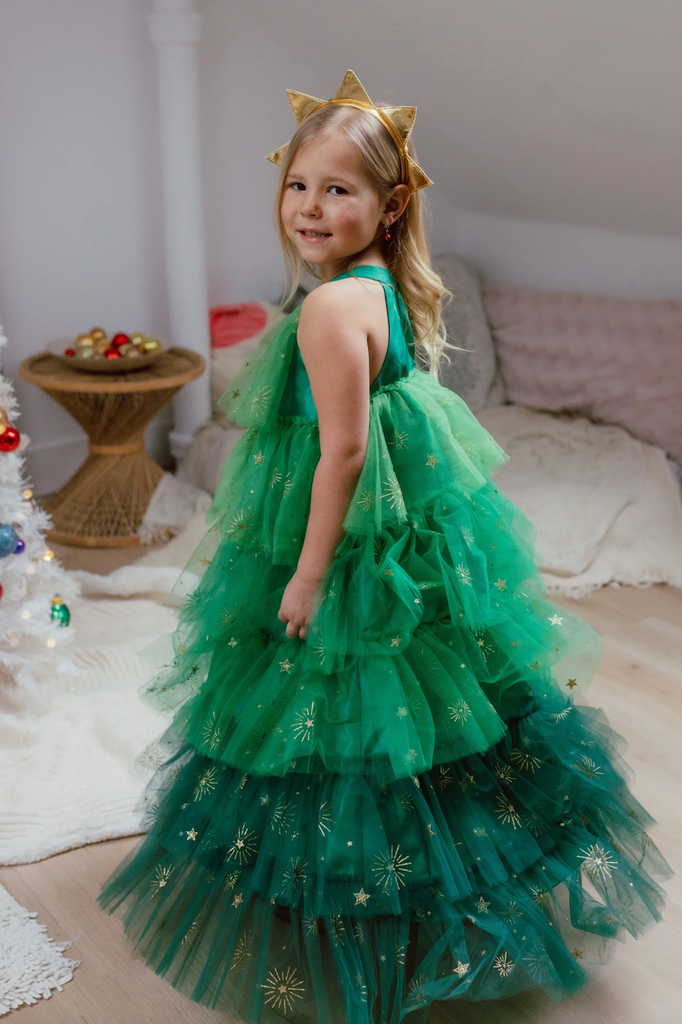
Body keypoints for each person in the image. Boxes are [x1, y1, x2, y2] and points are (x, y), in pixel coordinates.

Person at [98, 70, 671, 1024]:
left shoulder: (330, 308)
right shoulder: (373, 286)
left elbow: (345, 451)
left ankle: (368, 907)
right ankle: (429, 881)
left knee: (336, 706)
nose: (309, 207)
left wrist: (309, 572)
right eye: (297, 184)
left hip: (351, 540)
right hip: (395, 533)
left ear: (390, 205)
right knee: (434, 714)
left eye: (338, 189)